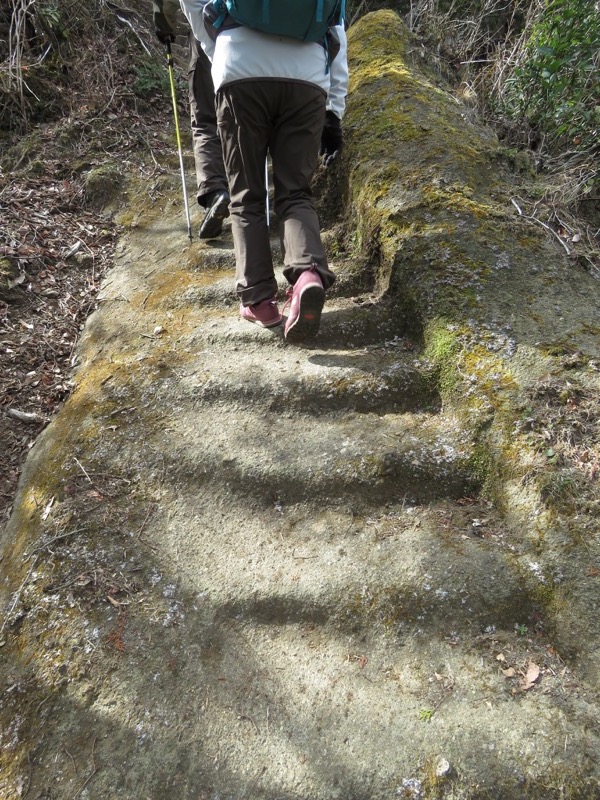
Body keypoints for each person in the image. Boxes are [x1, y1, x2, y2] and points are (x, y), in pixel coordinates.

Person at [179, 0, 348, 341]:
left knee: (247, 193)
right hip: (308, 75)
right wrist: (334, 109)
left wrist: (218, 49)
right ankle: (307, 274)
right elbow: (337, 31)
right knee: (296, 191)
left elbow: (194, 4)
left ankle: (259, 300)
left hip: (240, 66)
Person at [152, 0, 231, 239]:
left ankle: (215, 191)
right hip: (248, 32)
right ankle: (250, 194)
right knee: (243, 116)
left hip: (205, 30)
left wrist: (164, 25)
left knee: (206, 121)